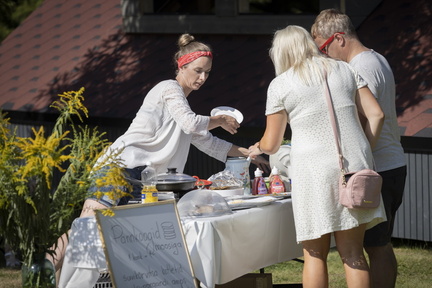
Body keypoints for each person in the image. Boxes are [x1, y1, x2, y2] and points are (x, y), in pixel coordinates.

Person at [48, 33, 269, 274]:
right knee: (87, 229)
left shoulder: (182, 107)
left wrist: (249, 154)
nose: (203, 77)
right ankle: (41, 268)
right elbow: (191, 123)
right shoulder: (168, 88)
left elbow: (210, 144)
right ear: (181, 66)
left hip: (143, 179)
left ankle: (52, 275)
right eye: (197, 70)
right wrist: (220, 119)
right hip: (117, 167)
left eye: (207, 72)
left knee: (109, 242)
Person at [248, 25, 387, 288]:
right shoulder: (346, 69)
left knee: (314, 255)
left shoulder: (281, 84)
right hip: (355, 167)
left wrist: (259, 146)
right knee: (354, 253)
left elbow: (272, 143)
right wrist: (365, 148)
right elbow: (377, 114)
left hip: (313, 173)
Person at [311, 9, 407, 288]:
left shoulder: (359, 67)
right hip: (390, 164)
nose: (325, 56)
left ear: (339, 38)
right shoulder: (377, 59)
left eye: (325, 48)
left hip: (376, 168)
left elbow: (368, 117)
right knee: (381, 245)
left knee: (375, 248)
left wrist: (362, 160)